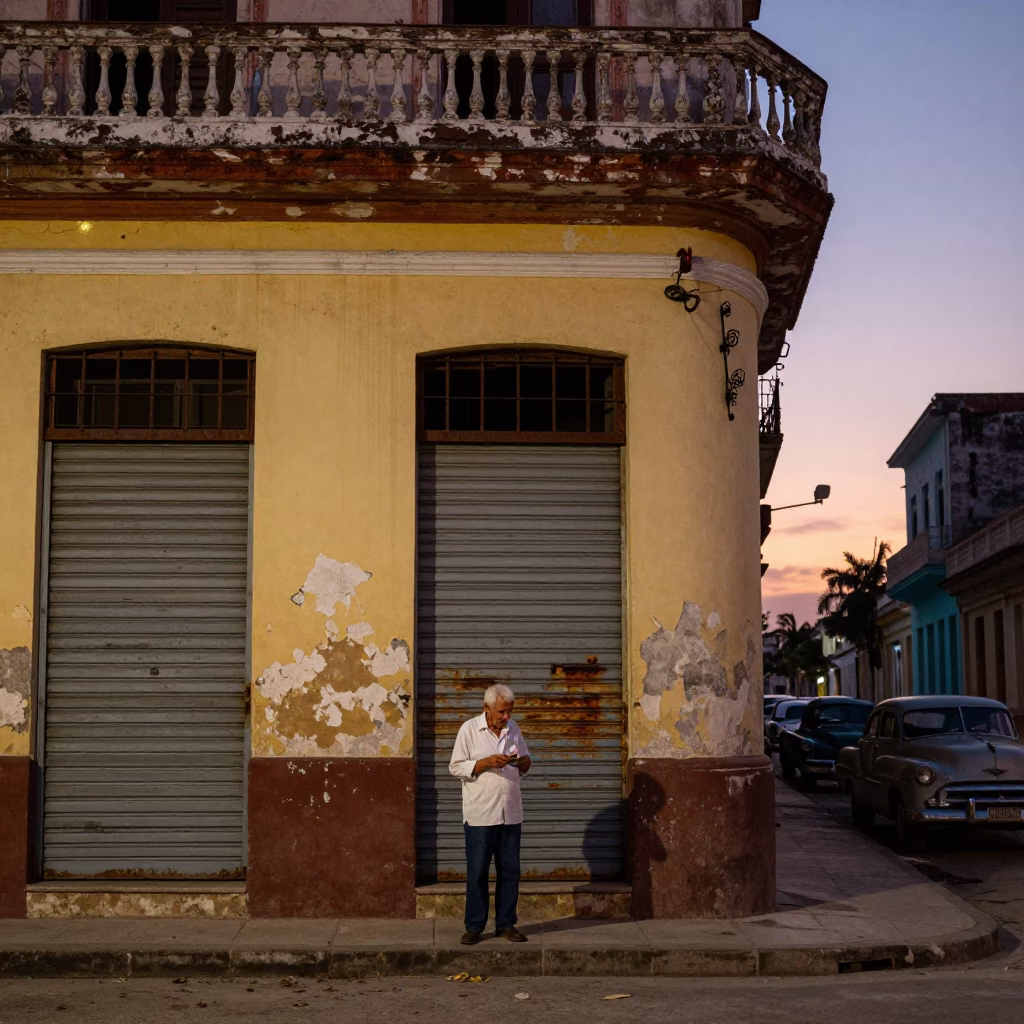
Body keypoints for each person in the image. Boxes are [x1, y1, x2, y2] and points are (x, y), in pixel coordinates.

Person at [448, 682, 532, 945]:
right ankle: (474, 925)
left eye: (509, 711)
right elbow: (455, 767)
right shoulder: (469, 730)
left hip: (510, 813)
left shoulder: (513, 728)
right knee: (477, 872)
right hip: (480, 814)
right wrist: (486, 763)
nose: (506, 717)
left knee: (510, 871)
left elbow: (525, 760)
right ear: (486, 708)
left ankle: (506, 924)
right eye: (501, 712)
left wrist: (523, 762)